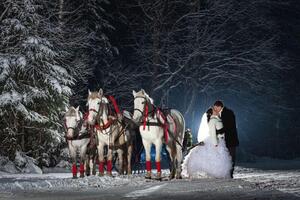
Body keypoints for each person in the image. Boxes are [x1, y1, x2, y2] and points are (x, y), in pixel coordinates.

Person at [181, 108, 232, 179]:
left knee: (205, 156)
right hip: (213, 139)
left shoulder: (212, 121)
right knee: (216, 156)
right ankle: (217, 173)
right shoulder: (214, 121)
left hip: (209, 139)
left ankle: (210, 172)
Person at [213, 100, 239, 178]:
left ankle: (230, 173)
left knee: (231, 157)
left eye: (215, 108)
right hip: (227, 139)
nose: (215, 109)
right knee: (228, 157)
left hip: (231, 139)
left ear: (219, 106)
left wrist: (218, 131)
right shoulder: (224, 113)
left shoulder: (227, 113)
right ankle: (227, 173)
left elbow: (227, 126)